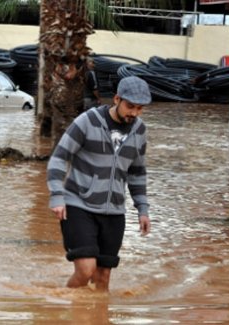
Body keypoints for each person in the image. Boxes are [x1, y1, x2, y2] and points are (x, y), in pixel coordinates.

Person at [46, 76, 152, 291]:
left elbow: (137, 173)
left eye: (140, 108)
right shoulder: (88, 121)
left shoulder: (139, 131)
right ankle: (60, 311)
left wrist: (143, 209)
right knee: (86, 270)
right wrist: (57, 194)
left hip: (114, 211)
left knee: (103, 278)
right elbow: (59, 157)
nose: (134, 113)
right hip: (78, 205)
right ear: (116, 99)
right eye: (130, 106)